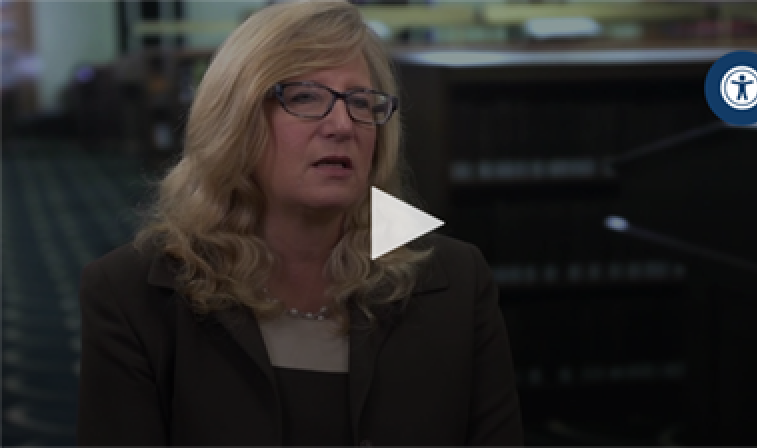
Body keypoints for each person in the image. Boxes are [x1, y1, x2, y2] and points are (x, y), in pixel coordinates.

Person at [77, 1, 524, 447]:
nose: (342, 125)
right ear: (236, 121)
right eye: (305, 97)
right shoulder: (131, 294)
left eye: (361, 102)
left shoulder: (459, 282)